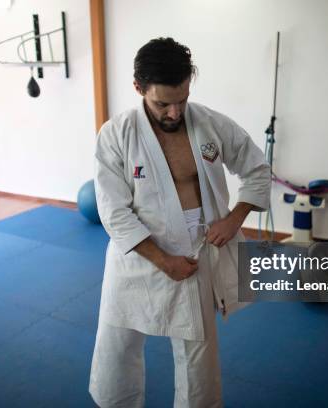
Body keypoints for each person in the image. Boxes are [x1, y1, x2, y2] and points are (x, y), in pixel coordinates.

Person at [89, 37, 271, 408]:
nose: (175, 113)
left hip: (198, 248)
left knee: (197, 351)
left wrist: (235, 218)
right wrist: (162, 260)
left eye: (182, 100)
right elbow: (114, 211)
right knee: (117, 344)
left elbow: (256, 168)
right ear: (139, 88)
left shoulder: (210, 124)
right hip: (137, 255)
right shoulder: (116, 134)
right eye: (162, 103)